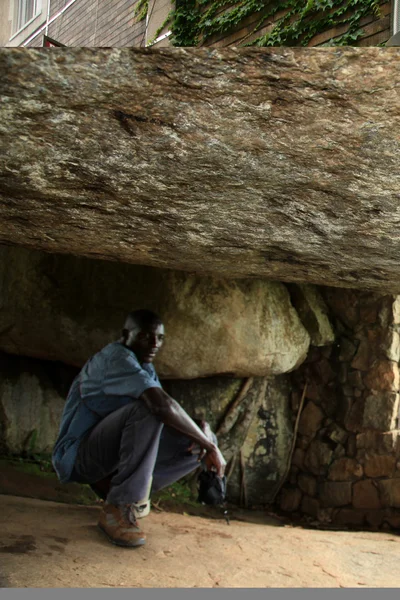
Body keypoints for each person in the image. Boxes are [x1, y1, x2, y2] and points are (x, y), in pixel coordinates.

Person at [52, 309, 226, 548]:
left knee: (196, 437)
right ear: (126, 335)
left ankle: (128, 495)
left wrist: (204, 436)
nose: (155, 343)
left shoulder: (145, 366)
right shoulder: (116, 358)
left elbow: (170, 415)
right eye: (146, 336)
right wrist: (211, 447)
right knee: (149, 410)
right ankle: (118, 506)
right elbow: (161, 406)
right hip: (79, 455)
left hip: (106, 457)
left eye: (160, 338)